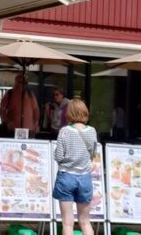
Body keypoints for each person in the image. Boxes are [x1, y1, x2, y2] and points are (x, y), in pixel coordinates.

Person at [52, 98, 97, 235]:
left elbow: (58, 156)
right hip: (84, 178)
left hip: (66, 177)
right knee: (85, 221)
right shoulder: (92, 131)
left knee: (67, 222)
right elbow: (93, 153)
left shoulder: (65, 131)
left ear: (69, 113)